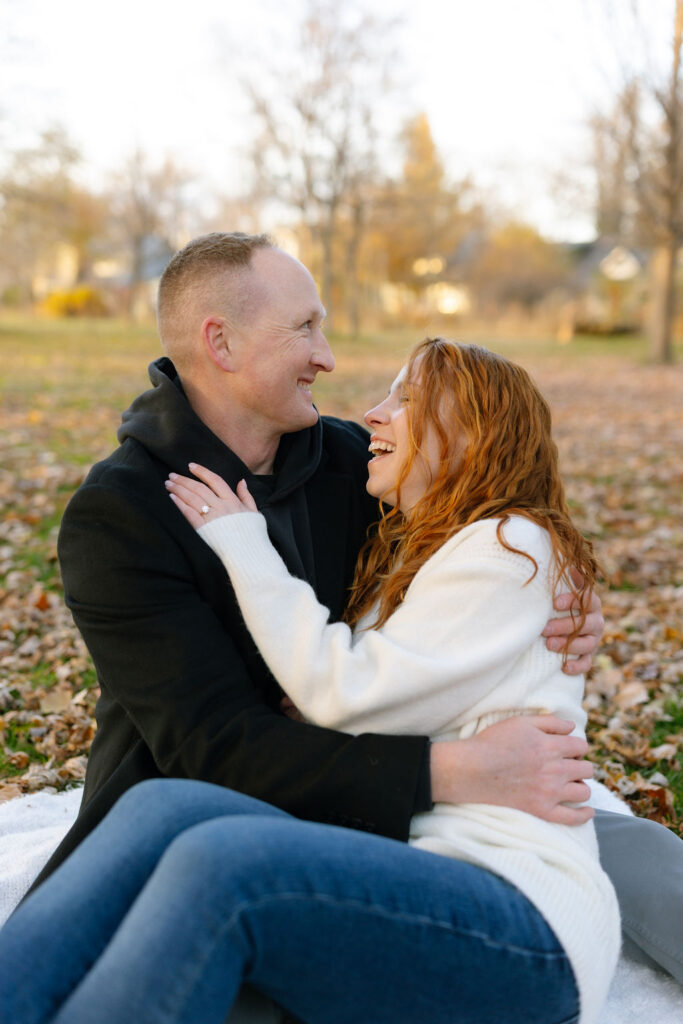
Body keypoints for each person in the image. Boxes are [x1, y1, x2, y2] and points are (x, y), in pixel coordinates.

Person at [27, 235, 683, 988]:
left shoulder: (353, 466)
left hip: (397, 804)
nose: (329, 357)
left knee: (623, 846)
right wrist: (452, 771)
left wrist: (562, 601)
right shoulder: (123, 512)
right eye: (305, 327)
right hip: (223, 800)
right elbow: (215, 752)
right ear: (221, 341)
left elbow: (484, 525)